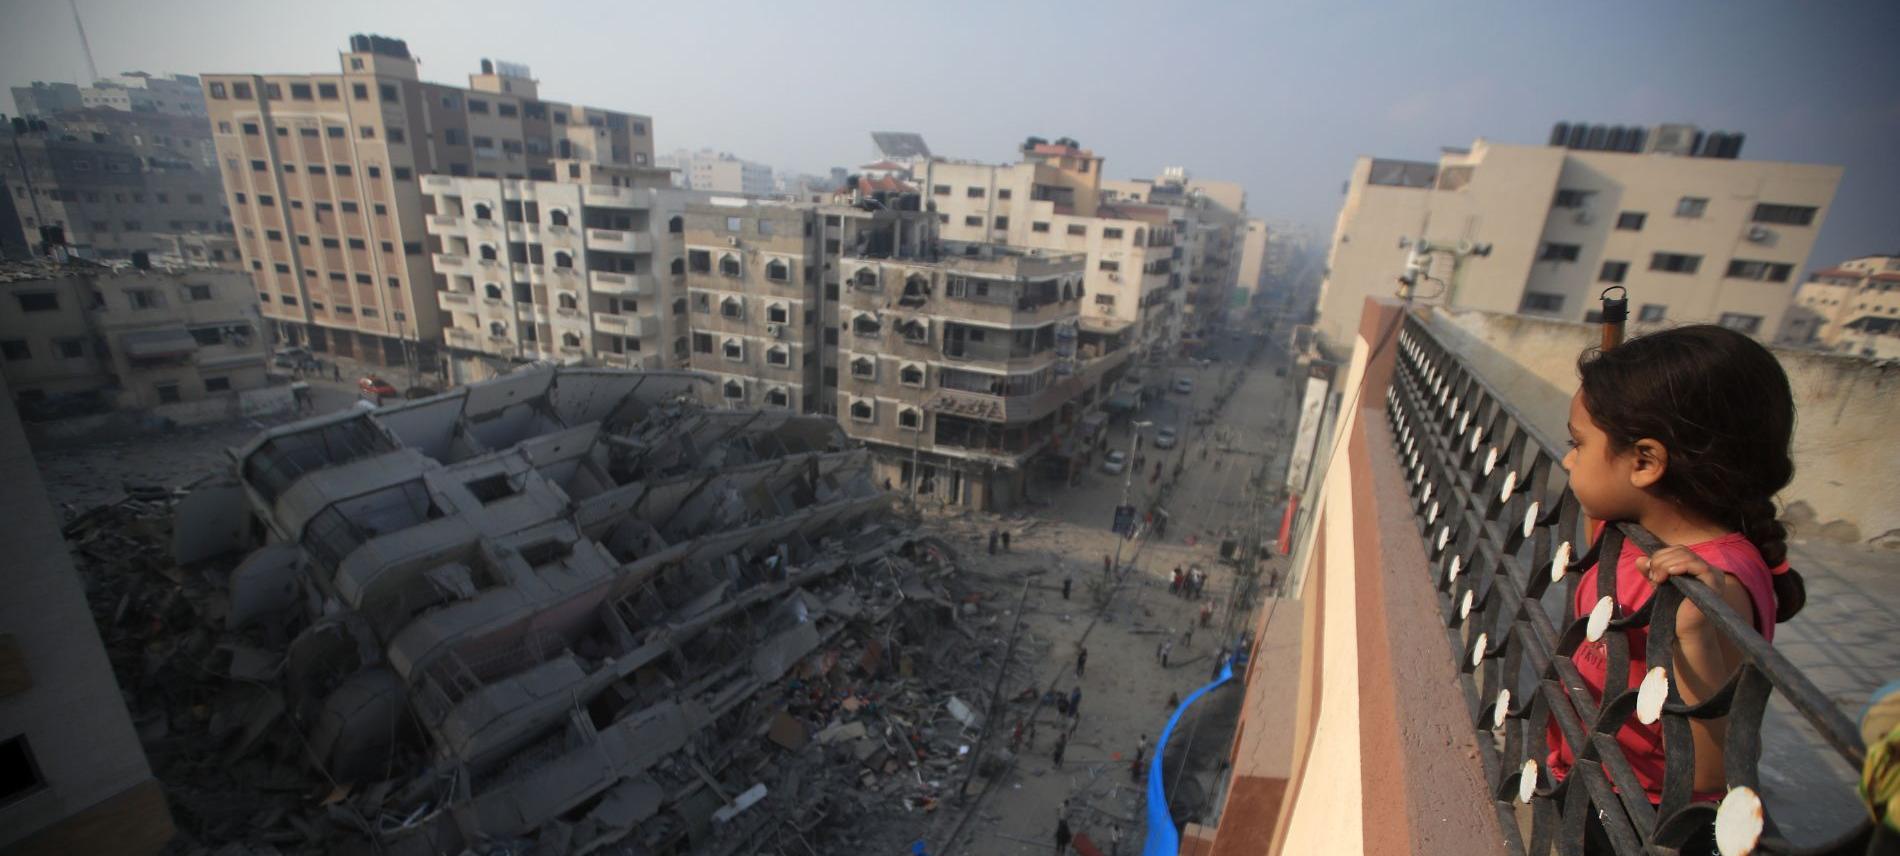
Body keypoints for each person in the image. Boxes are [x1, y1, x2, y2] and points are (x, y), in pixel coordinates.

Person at [1550, 325, 1806, 854]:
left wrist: (1691, 630)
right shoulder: (1635, 531)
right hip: (1599, 782)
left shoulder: (1715, 588)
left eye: (1578, 444)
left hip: (1643, 821)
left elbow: (1712, 773)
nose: (1568, 460)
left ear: (1645, 462)